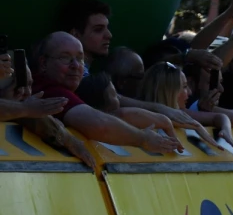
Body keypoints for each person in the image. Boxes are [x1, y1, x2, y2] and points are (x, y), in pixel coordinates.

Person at [31, 32, 180, 154]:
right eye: (65, 58)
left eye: (80, 59)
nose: (75, 66)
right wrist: (144, 139)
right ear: (44, 63)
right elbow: (100, 125)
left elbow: (118, 115)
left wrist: (164, 119)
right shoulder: (50, 90)